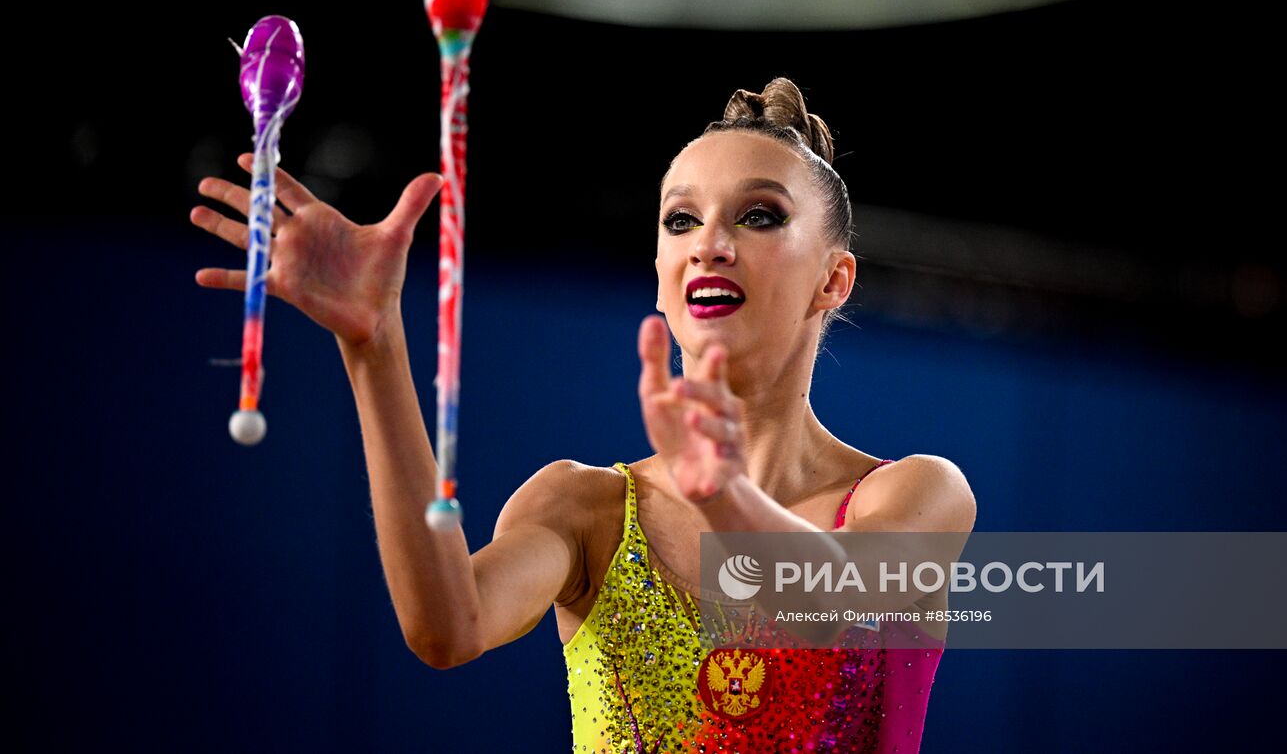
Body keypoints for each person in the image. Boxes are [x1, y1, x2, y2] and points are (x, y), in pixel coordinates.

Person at [190, 76, 976, 753]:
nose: (709, 243)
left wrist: (722, 493)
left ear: (833, 280)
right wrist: (374, 345)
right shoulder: (585, 508)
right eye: (681, 220)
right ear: (662, 276)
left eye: (760, 215)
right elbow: (447, 626)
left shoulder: (917, 495)